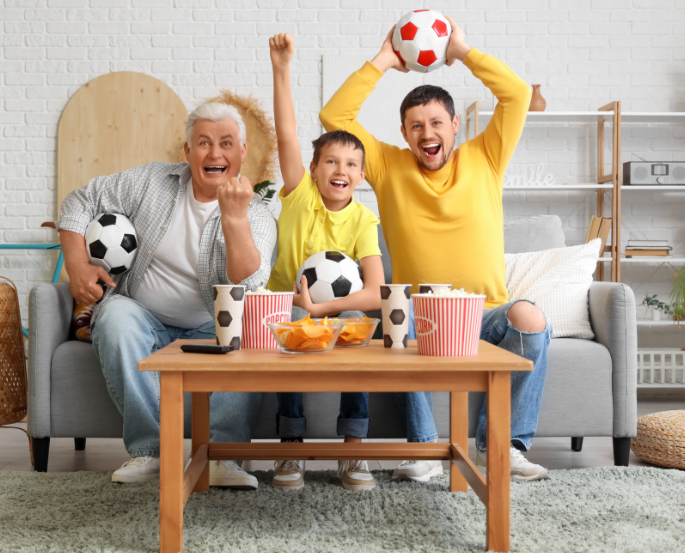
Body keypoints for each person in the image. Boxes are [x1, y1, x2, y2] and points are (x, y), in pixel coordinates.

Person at [320, 18, 552, 482]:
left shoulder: (486, 156)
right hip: (420, 317)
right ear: (405, 133)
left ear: (454, 125)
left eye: (436, 123)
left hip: (483, 314)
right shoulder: (387, 166)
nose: (427, 133)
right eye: (416, 126)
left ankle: (503, 447)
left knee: (531, 317)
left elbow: (516, 94)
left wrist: (462, 51)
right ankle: (423, 449)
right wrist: (385, 59)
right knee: (396, 314)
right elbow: (335, 117)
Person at [56, 103, 277, 486]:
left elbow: (249, 280)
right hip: (144, 319)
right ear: (188, 151)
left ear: (242, 152)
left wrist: (234, 217)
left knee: (250, 327)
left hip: (213, 331)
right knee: (113, 316)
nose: (215, 153)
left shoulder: (256, 212)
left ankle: (222, 458)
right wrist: (76, 264)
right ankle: (151, 451)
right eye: (204, 143)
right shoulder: (150, 181)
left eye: (226, 143)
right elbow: (80, 200)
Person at [266, 33, 385, 491]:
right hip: (288, 307)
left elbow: (373, 293)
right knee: (291, 323)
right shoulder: (299, 195)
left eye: (351, 164)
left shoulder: (363, 219)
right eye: (331, 162)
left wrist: (323, 309)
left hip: (334, 311)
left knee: (357, 323)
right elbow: (285, 133)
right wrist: (281, 69)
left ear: (361, 175)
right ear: (313, 170)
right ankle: (290, 448)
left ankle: (353, 448)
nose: (341, 170)